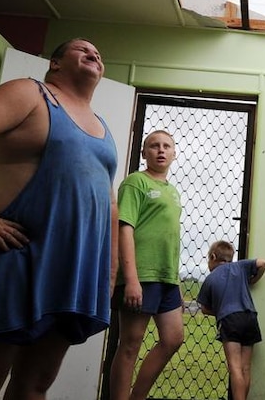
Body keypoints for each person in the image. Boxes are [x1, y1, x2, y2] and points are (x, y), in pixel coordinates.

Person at [0, 38, 119, 400]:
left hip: (72, 274)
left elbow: (109, 202)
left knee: (34, 387)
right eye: (82, 50)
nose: (94, 54)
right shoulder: (31, 93)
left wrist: (110, 268)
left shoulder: (103, 126)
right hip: (16, 257)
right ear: (54, 63)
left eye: (98, 53)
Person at [108, 130, 184, 400]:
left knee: (173, 338)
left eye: (167, 146)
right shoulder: (135, 182)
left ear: (174, 153)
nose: (161, 150)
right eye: (154, 146)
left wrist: (174, 278)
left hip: (167, 279)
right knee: (130, 344)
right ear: (144, 153)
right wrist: (130, 279)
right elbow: (124, 229)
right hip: (140, 275)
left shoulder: (173, 192)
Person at [196, 240, 265, 400]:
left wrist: (221, 308)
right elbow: (264, 263)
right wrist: (253, 280)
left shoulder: (210, 279)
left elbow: (204, 308)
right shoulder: (241, 267)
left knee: (235, 367)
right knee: (245, 368)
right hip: (250, 316)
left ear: (213, 257)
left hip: (229, 320)